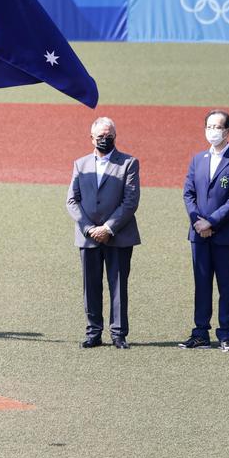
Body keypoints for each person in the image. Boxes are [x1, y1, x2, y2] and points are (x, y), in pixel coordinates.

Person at [66, 117, 141, 349]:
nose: (104, 139)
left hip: (118, 235)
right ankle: (93, 332)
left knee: (118, 285)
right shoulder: (80, 164)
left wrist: (108, 228)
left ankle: (118, 333)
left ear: (115, 137)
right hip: (88, 237)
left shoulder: (128, 163)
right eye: (100, 136)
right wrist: (89, 229)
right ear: (91, 138)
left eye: (108, 135)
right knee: (91, 285)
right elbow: (72, 200)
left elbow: (130, 201)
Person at [180, 110, 229, 352]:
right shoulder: (198, 159)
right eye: (209, 126)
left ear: (228, 131)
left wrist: (210, 222)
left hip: (226, 235)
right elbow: (188, 193)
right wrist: (198, 222)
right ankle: (200, 333)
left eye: (217, 127)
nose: (212, 131)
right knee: (201, 283)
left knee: (226, 285)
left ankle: (225, 334)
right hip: (198, 234)